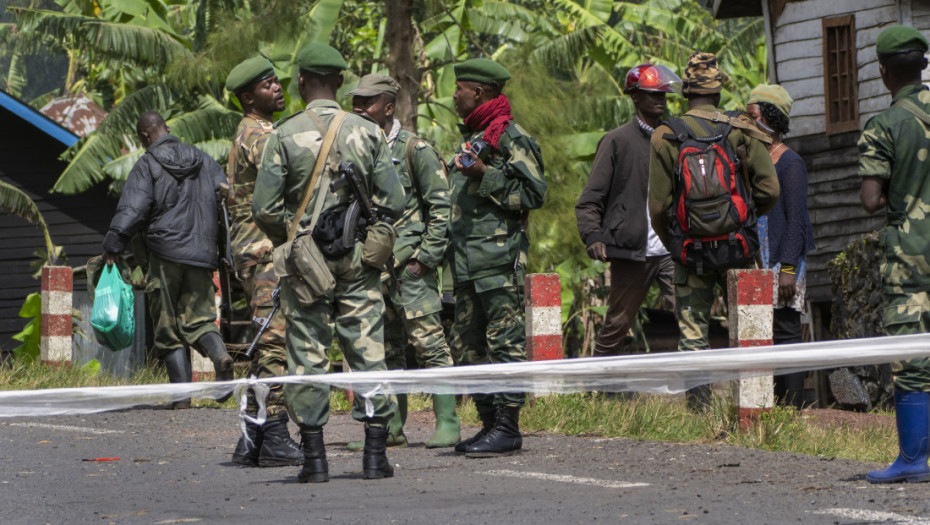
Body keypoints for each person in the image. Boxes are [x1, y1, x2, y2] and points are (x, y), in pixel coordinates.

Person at [252, 43, 403, 483]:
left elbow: (263, 208)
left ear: (301, 82)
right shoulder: (368, 131)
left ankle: (315, 461)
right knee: (368, 350)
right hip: (357, 258)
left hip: (306, 264)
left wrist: (296, 238)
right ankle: (375, 457)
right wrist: (372, 239)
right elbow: (393, 200)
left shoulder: (283, 133)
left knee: (306, 354)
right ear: (340, 82)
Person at [648, 51, 779, 409]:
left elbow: (658, 207)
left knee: (693, 335)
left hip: (691, 252)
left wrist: (677, 239)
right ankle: (754, 409)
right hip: (739, 246)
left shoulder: (666, 135)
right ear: (719, 91)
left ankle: (699, 414)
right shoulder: (740, 129)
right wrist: (744, 218)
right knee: (749, 327)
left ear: (685, 93)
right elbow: (771, 190)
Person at [348, 73, 461, 449]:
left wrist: (424, 260)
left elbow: (442, 209)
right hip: (373, 269)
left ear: (389, 107)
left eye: (367, 102)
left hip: (411, 269)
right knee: (385, 349)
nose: (359, 108)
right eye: (356, 102)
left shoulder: (417, 149)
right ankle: (391, 426)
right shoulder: (356, 148)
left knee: (430, 345)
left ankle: (448, 422)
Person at [447, 58, 547, 457]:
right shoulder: (472, 136)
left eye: (460, 89)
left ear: (480, 92)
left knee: (504, 341)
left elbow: (535, 194)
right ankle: (488, 424)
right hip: (467, 260)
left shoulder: (510, 136)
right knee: (467, 344)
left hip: (498, 258)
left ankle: (508, 427)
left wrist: (484, 174)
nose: (454, 95)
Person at [102, 111, 234, 409]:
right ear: (167, 128)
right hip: (202, 255)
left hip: (163, 254)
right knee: (200, 321)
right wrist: (222, 251)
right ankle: (220, 357)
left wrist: (113, 242)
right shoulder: (206, 161)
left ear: (144, 136)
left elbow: (133, 208)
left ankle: (181, 400)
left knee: (168, 328)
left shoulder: (147, 164)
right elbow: (226, 206)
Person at [859, 25, 930, 484]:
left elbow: (870, 200)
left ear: (884, 71)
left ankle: (913, 461)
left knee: (912, 358)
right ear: (922, 66)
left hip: (910, 259)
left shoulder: (884, 125)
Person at [224, 57, 302, 467]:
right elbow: (289, 166)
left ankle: (251, 437)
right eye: (266, 84)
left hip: (258, 249)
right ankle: (274, 432)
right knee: (275, 342)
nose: (276, 87)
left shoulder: (255, 130)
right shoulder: (257, 134)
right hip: (265, 251)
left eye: (276, 81)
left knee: (261, 345)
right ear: (247, 97)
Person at [575, 64, 680, 357]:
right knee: (617, 324)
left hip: (670, 249)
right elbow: (590, 198)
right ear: (635, 97)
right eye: (652, 94)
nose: (660, 100)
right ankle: (599, 393)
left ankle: (700, 397)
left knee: (689, 319)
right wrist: (593, 235)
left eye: (663, 95)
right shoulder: (616, 140)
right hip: (631, 250)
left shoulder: (674, 138)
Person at [746, 83, 816, 409]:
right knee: (763, 336)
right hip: (761, 262)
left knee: (787, 334)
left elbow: (796, 222)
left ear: (769, 116)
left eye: (754, 113)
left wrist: (787, 269)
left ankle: (792, 413)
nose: (748, 119)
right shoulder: (754, 161)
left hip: (784, 264)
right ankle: (770, 410)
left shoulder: (790, 164)